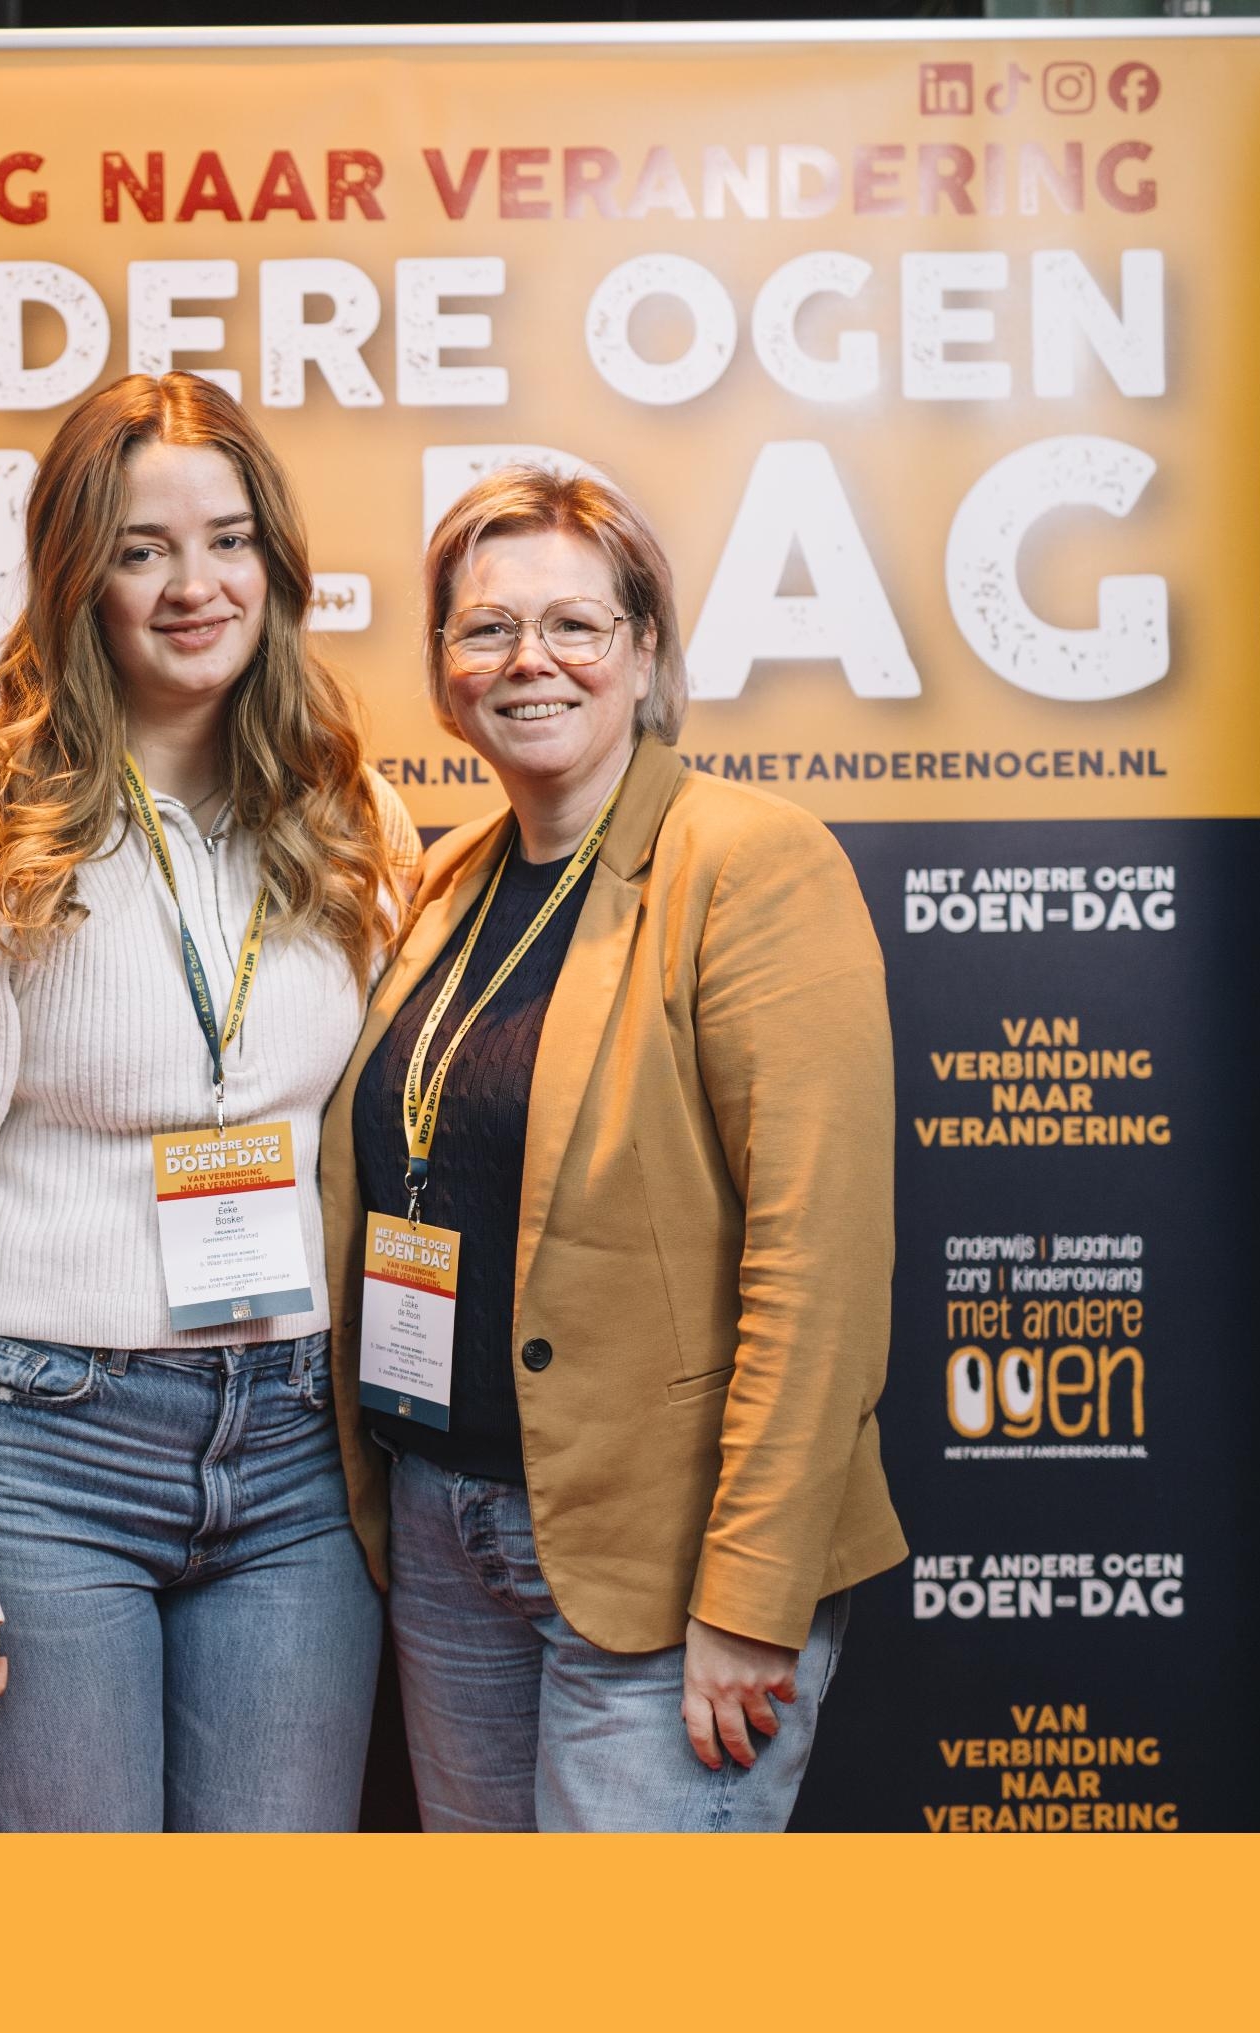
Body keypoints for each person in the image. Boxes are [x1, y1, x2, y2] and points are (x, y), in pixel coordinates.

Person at [321, 464, 908, 1832]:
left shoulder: (751, 863)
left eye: (573, 624)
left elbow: (817, 1267)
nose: (528, 659)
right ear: (445, 669)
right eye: (485, 628)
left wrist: (752, 1594)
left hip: (665, 1555)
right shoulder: (447, 878)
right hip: (446, 1527)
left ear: (644, 651)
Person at [0, 372, 415, 1830]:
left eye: (229, 541)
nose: (194, 587)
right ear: (76, 579)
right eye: (141, 549)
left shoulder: (350, 819)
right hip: (47, 1441)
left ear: (276, 565)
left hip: (298, 1447)